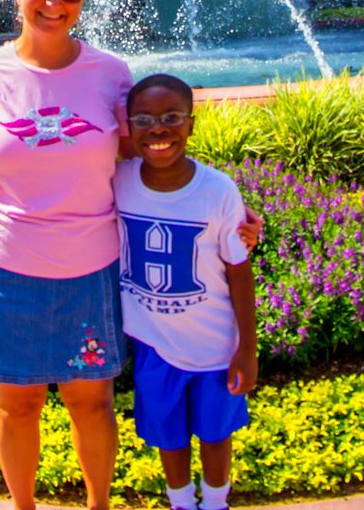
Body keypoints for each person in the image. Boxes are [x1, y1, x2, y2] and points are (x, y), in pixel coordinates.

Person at [0, 0, 134, 510]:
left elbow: (148, 162)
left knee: (90, 405)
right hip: (2, 270)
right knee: (15, 405)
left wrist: (219, 204)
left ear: (84, 0)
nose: (53, 2)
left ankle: (98, 505)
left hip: (89, 270)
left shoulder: (113, 75)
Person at [117, 74, 257, 510]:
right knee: (168, 435)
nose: (159, 129)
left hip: (215, 346)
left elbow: (239, 272)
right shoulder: (117, 180)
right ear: (129, 128)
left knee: (217, 434)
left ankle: (216, 502)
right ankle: (180, 501)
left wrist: (247, 349)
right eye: (144, 119)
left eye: (171, 117)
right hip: (155, 346)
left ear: (191, 125)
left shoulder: (217, 190)